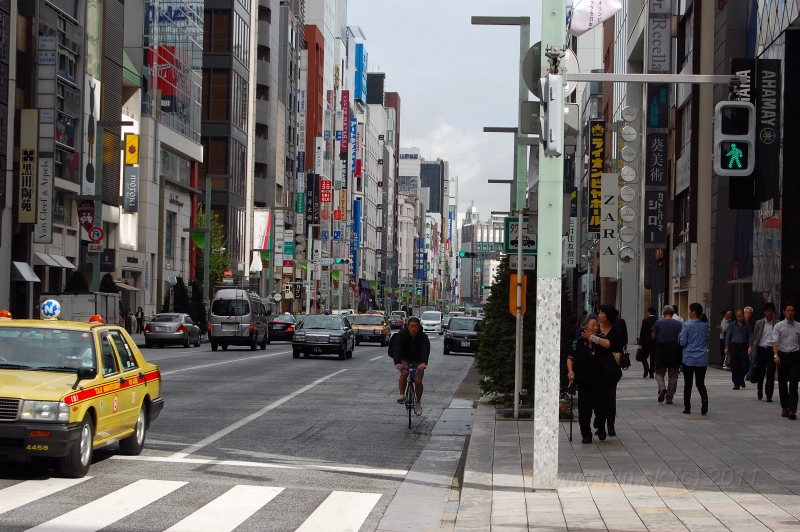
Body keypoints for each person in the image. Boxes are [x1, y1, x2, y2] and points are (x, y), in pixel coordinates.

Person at [566, 314, 620, 443]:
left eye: (597, 325)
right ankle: (586, 434)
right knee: (584, 409)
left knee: (601, 406)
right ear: (585, 327)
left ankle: (600, 427)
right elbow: (570, 357)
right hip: (584, 379)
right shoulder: (577, 342)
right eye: (593, 325)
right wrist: (570, 371)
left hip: (601, 379)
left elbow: (607, 344)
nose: (596, 327)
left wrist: (592, 337)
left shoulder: (601, 338)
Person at [390, 316, 430, 416]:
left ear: (419, 326)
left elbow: (425, 350)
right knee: (405, 372)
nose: (413, 329)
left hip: (418, 360)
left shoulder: (423, 337)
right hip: (404, 358)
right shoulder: (402, 334)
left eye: (415, 327)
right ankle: (402, 394)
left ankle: (418, 403)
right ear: (407, 326)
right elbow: (397, 348)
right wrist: (397, 362)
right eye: (411, 326)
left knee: (417, 381)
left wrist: (423, 363)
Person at [596, 305, 625, 437]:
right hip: (596, 368)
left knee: (610, 397)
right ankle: (600, 424)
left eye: (602, 313)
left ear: (608, 316)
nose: (599, 315)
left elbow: (617, 351)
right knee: (598, 399)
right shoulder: (596, 330)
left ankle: (610, 424)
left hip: (611, 369)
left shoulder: (617, 332)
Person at [771, 302, 800, 420]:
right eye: (788, 310)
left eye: (792, 310)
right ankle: (784, 407)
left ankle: (792, 409)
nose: (790, 312)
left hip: (795, 356)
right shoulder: (778, 326)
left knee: (793, 383)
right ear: (784, 311)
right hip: (782, 356)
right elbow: (775, 342)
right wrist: (775, 355)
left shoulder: (798, 326)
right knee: (782, 382)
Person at [680, 303, 710, 415]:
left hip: (689, 357)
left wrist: (680, 338)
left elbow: (683, 342)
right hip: (701, 357)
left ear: (693, 312)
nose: (689, 312)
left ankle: (687, 407)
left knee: (688, 384)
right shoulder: (705, 325)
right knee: (700, 383)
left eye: (690, 310)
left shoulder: (687, 325)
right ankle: (705, 400)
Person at [652, 306, 683, 404]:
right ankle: (669, 397)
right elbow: (680, 336)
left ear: (663, 313)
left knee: (659, 372)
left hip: (662, 349)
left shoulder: (658, 322)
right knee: (673, 375)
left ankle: (662, 388)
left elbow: (653, 335)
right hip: (674, 349)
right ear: (673, 313)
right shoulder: (678, 323)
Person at [752, 302, 777, 402]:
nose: (769, 313)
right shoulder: (759, 323)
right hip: (761, 349)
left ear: (773, 312)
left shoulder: (777, 324)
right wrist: (754, 353)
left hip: (771, 350)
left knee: (771, 373)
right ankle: (759, 390)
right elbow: (755, 338)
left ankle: (769, 394)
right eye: (767, 311)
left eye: (771, 311)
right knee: (761, 372)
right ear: (764, 312)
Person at [725, 309, 753, 390]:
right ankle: (736, 383)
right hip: (734, 346)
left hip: (744, 346)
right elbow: (728, 336)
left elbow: (750, 336)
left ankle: (741, 378)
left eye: (740, 316)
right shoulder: (732, 325)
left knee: (745, 365)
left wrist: (750, 346)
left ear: (743, 316)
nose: (739, 318)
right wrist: (727, 347)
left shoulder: (747, 325)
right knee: (734, 366)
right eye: (737, 317)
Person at [638, 307, 658, 379]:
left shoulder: (645, 320)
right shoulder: (657, 321)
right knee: (653, 358)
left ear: (649, 312)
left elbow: (642, 331)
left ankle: (646, 368)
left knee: (643, 357)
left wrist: (640, 342)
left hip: (646, 342)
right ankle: (651, 373)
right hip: (654, 342)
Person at [744, 306, 756, 381]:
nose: (748, 314)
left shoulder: (754, 324)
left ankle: (748, 374)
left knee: (750, 360)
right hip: (742, 344)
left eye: (749, 313)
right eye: (746, 313)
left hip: (750, 345)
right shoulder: (740, 322)